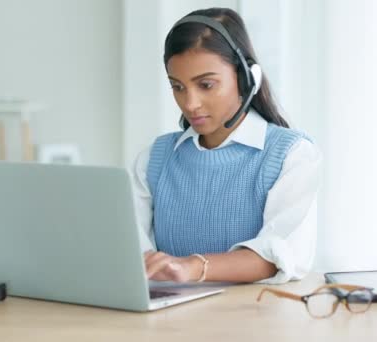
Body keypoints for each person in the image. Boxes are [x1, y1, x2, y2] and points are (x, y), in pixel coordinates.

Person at [132, 7, 321, 284]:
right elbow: (134, 254)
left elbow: (278, 254)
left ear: (246, 79)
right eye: (178, 87)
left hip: (256, 320)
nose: (190, 103)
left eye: (206, 85)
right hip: (168, 322)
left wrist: (194, 268)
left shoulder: (292, 156)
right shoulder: (153, 159)